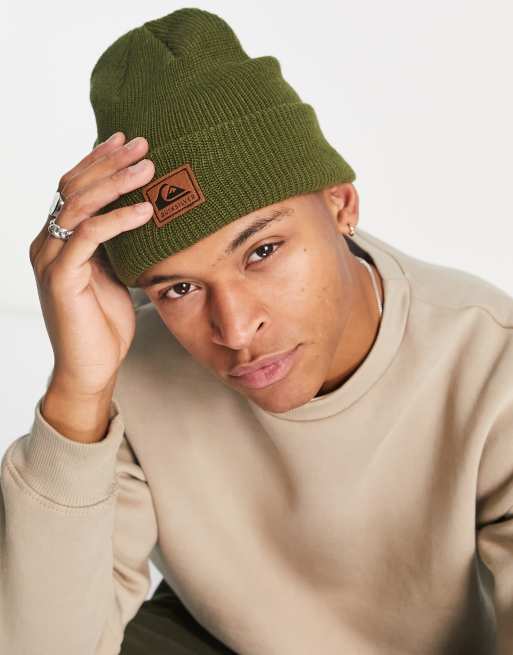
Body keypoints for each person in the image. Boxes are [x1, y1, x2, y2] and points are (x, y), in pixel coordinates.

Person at [1, 7, 512, 655]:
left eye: (262, 251)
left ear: (340, 203)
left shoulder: (490, 363)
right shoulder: (128, 372)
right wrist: (78, 390)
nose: (236, 328)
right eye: (178, 288)